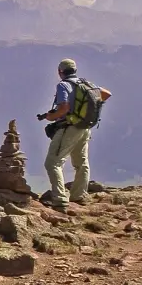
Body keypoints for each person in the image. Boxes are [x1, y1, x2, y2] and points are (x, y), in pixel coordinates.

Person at [41, 58, 112, 210]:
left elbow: (64, 108)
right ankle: (79, 196)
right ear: (75, 71)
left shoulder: (63, 85)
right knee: (81, 163)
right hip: (85, 127)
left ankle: (60, 199)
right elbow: (106, 94)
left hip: (69, 127)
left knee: (53, 163)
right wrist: (88, 110)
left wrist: (50, 117)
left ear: (60, 72)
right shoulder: (86, 84)